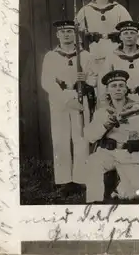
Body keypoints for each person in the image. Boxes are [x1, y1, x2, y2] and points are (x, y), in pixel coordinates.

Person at [40, 20, 96, 196]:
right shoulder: (51, 56)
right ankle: (64, 180)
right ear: (57, 35)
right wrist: (65, 99)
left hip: (80, 99)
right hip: (60, 101)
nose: (66, 34)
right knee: (60, 139)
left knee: (80, 138)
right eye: (63, 31)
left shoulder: (85, 56)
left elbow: (94, 79)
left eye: (70, 31)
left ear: (76, 34)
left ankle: (80, 178)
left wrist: (85, 80)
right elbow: (47, 82)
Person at [100, 20, 139, 182]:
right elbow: (103, 84)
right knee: (123, 142)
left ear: (137, 36)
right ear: (120, 36)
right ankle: (123, 177)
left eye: (132, 33)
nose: (129, 36)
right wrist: (107, 106)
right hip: (121, 106)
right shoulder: (112, 57)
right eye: (125, 33)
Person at [84, 70, 139, 203]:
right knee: (93, 162)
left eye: (121, 85)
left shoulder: (136, 108)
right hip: (107, 153)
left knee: (133, 196)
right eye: (113, 86)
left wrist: (128, 120)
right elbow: (90, 136)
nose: (118, 89)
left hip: (129, 153)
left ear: (126, 89)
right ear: (108, 90)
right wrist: (106, 125)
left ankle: (119, 189)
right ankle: (94, 202)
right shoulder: (102, 111)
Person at [75, 0, 133, 104]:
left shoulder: (119, 10)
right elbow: (76, 35)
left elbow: (131, 32)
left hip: (116, 54)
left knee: (117, 87)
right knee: (99, 92)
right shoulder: (85, 10)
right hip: (95, 54)